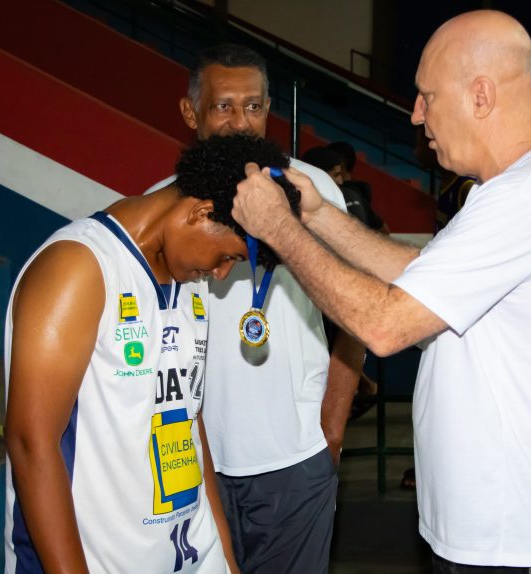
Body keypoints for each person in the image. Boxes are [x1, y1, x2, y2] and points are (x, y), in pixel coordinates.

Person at [232, 10, 531, 571]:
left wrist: (278, 230)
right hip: (495, 529)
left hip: (512, 538)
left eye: (427, 96)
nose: (416, 114)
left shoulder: (527, 197)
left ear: (480, 96)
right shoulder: (511, 190)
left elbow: (385, 326)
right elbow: (424, 271)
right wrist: (316, 219)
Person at [4, 135, 300, 573]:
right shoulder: (78, 268)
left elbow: (189, 418)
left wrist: (224, 558)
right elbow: (31, 442)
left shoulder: (190, 283)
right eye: (228, 257)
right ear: (202, 213)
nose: (221, 274)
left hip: (187, 552)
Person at [146, 44, 359, 573]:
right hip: (195, 464)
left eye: (255, 107)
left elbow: (360, 311)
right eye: (224, 107)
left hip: (294, 460)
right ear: (190, 113)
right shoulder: (162, 210)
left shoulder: (310, 193)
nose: (242, 123)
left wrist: (329, 430)